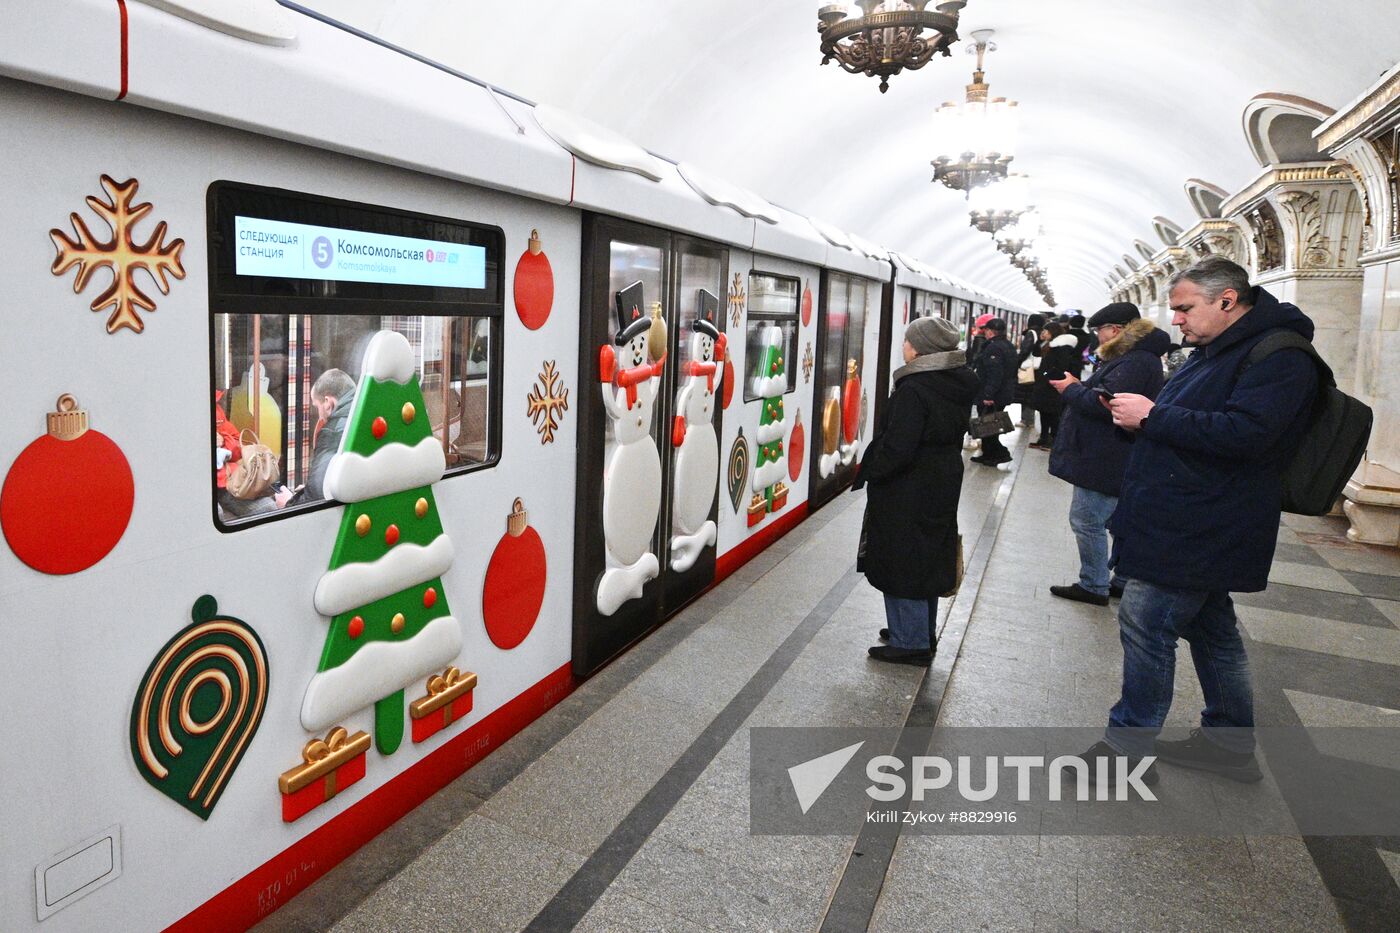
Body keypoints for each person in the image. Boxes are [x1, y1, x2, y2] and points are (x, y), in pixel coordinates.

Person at [1075, 256, 1320, 787]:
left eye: (1185, 308)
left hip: (1205, 521)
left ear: (1226, 301)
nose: (1176, 320)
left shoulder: (1279, 357)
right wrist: (1139, 420)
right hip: (1191, 514)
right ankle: (1227, 743)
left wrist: (1153, 416)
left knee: (1145, 623)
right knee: (1212, 632)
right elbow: (1204, 423)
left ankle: (1126, 749)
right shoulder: (1220, 350)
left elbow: (1249, 434)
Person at [854, 316, 978, 666]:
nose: (903, 346)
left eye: (907, 341)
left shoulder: (916, 387)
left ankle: (910, 643)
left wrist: (873, 472)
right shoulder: (954, 381)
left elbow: (899, 447)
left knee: (901, 556)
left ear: (920, 348)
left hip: (910, 484)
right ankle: (919, 632)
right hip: (940, 478)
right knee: (925, 553)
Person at [1045, 302, 1168, 606]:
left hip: (1106, 453)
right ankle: (1121, 579)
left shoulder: (1136, 361)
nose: (1098, 336)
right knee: (1115, 518)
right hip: (1112, 451)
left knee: (1087, 520)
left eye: (1100, 330)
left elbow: (1108, 404)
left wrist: (1070, 390)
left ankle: (1093, 584)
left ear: (1116, 329)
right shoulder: (1134, 358)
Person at [287, 368, 357, 506]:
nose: (319, 416)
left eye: (316, 407)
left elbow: (315, 498)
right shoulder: (362, 416)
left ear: (328, 403)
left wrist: (288, 503)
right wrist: (309, 489)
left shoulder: (332, 431)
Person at [970, 317, 1017, 467]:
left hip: (993, 393)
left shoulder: (994, 348)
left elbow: (995, 373)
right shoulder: (1008, 345)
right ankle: (989, 454)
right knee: (991, 425)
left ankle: (997, 454)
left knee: (988, 425)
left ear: (990, 331)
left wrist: (989, 394)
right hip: (1003, 392)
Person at [1030, 322, 1081, 450]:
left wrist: (1046, 374)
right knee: (1044, 412)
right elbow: (1036, 353)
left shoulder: (1061, 347)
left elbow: (1059, 366)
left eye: (1046, 331)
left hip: (1052, 386)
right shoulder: (1050, 345)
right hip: (1045, 384)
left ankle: (1053, 440)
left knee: (1053, 413)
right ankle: (1043, 438)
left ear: (1053, 332)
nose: (1044, 333)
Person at [1014, 313, 1046, 427]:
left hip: (1029, 368)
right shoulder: (1043, 333)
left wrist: (1018, 362)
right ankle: (1029, 419)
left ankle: (1026, 420)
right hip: (1038, 368)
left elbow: (1025, 350)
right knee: (1031, 393)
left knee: (1026, 393)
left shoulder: (1030, 333)